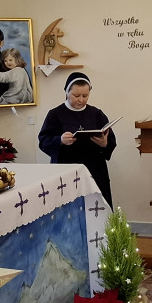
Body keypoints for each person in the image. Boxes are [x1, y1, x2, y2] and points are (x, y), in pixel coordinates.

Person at [37, 72, 117, 205]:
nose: (81, 100)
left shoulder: (97, 114)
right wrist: (60, 140)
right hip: (66, 170)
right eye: (76, 95)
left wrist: (105, 144)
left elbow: (110, 141)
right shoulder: (55, 114)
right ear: (67, 92)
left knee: (96, 208)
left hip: (95, 170)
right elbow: (43, 140)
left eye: (85, 96)